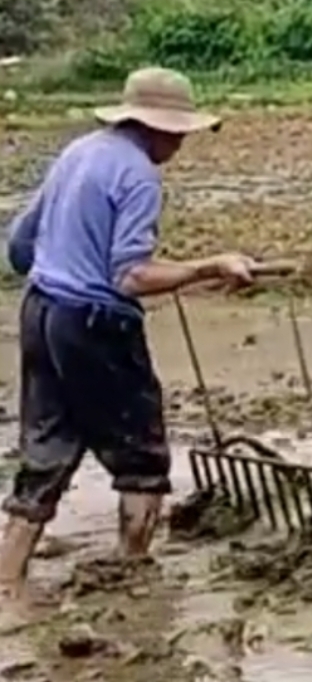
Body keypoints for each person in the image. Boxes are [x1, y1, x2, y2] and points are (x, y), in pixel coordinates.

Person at [0, 66, 258, 601]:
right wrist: (209, 267)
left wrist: (65, 265)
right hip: (95, 326)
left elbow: (20, 247)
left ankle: (7, 582)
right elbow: (131, 275)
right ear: (161, 128)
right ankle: (132, 577)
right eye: (180, 133)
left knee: (46, 449)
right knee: (140, 456)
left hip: (40, 312)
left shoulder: (79, 152)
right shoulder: (139, 174)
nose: (181, 144)